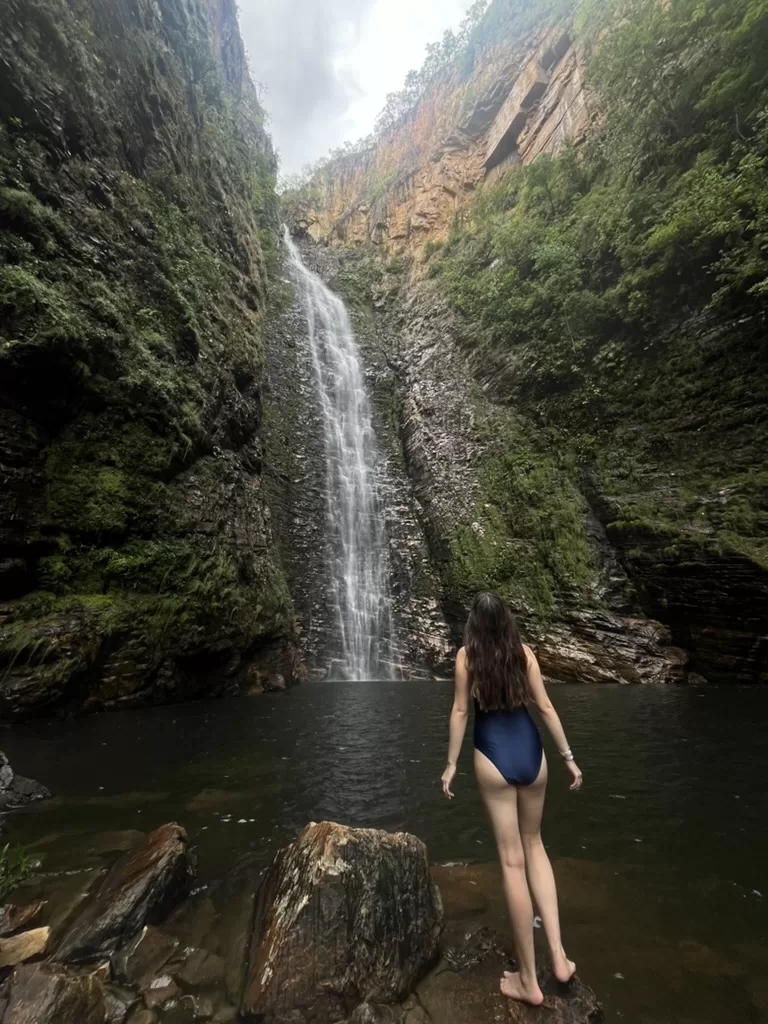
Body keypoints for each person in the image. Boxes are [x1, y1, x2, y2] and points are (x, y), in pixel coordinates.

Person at [441, 591, 583, 1007]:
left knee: (511, 859)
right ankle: (559, 958)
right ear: (507, 620)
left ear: (473, 624)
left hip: (493, 757)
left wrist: (450, 764)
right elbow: (545, 706)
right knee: (535, 845)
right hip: (532, 753)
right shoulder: (525, 653)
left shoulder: (467, 657)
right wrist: (569, 759)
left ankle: (527, 980)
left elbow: (461, 712)